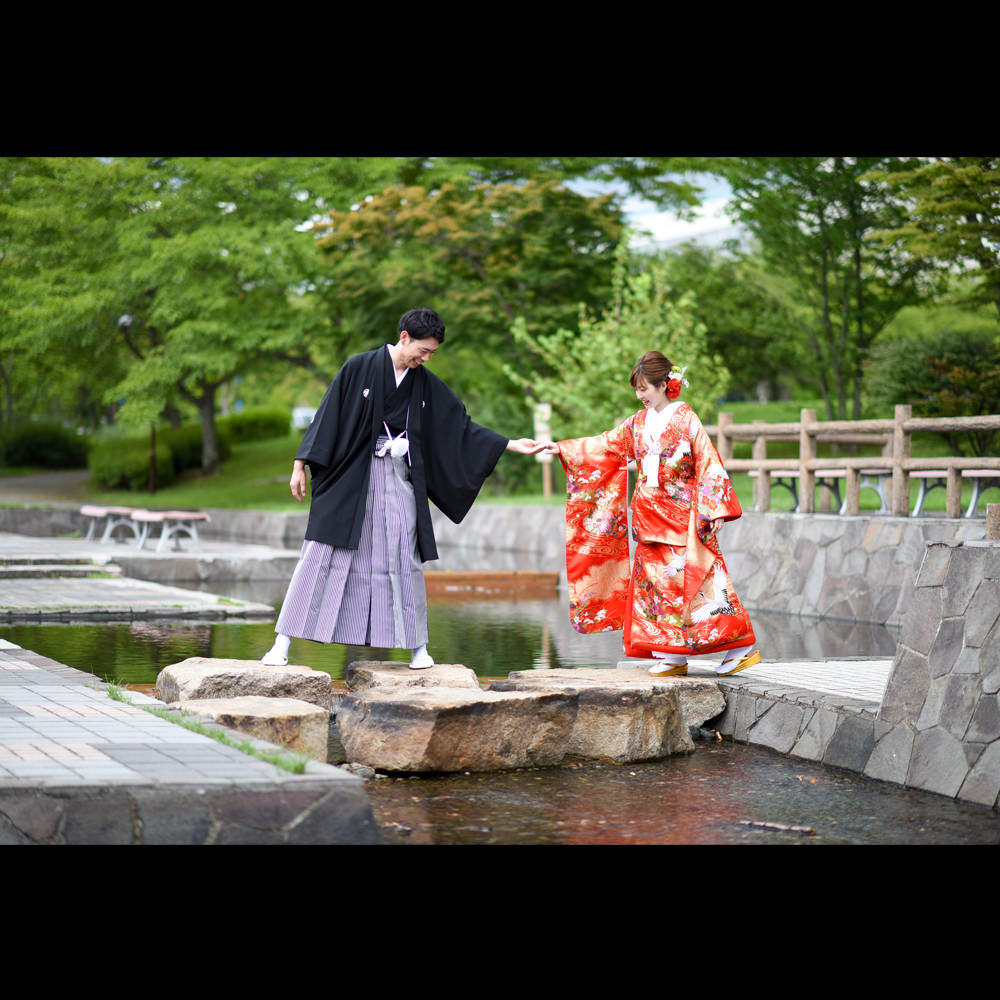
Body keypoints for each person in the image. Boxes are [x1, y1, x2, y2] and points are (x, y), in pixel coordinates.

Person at [262, 307, 544, 669]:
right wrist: (300, 464)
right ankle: (281, 644)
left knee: (402, 556)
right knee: (321, 554)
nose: (425, 358)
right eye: (422, 350)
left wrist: (507, 443)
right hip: (351, 479)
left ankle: (418, 648)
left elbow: (459, 425)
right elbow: (327, 414)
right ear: (404, 337)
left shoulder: (423, 382)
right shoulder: (358, 368)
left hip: (397, 478)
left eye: (432, 354)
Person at [541, 350, 760, 676]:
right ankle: (671, 654)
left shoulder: (686, 419)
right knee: (654, 589)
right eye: (637, 389)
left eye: (645, 387)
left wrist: (713, 508)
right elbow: (606, 445)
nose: (640, 394)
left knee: (700, 583)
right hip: (648, 518)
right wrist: (561, 447)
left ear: (664, 384)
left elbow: (708, 462)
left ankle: (739, 647)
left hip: (683, 517)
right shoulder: (637, 424)